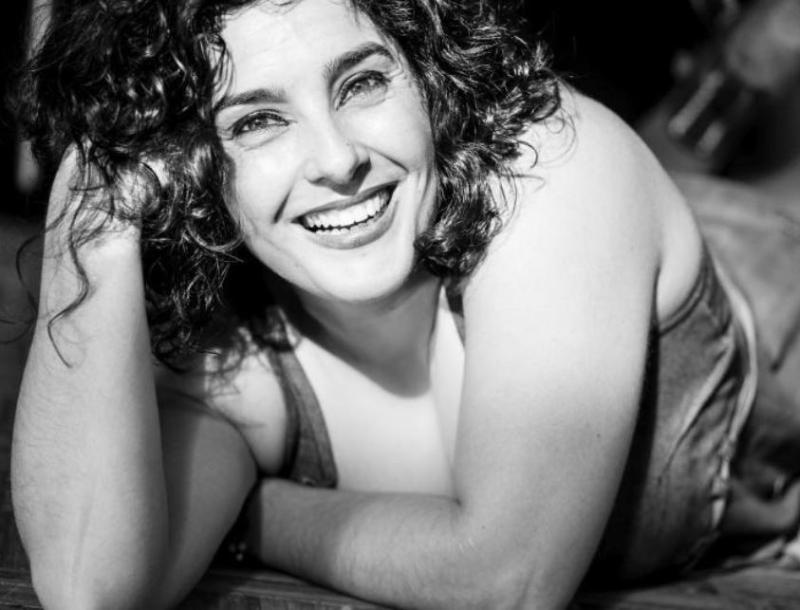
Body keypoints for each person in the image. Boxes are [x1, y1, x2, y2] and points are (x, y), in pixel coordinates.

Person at [9, 0, 800, 608]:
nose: (337, 159)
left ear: (426, 72)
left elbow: (508, 581)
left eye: (362, 82)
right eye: (256, 121)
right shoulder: (236, 361)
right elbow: (90, 589)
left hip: (764, 274)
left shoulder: (550, 176)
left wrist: (254, 515)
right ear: (181, 160)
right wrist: (91, 220)